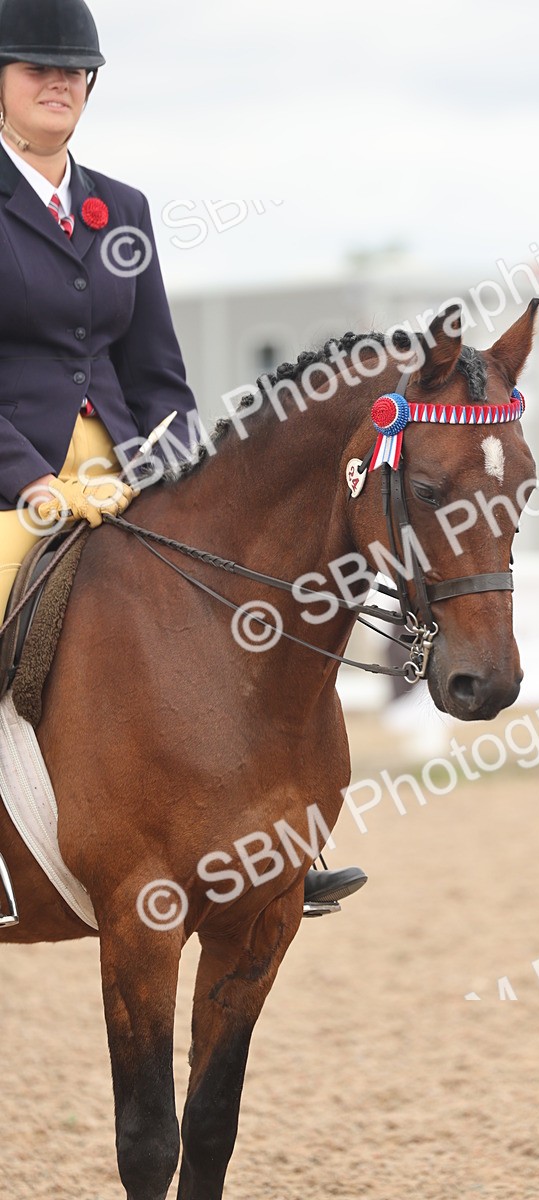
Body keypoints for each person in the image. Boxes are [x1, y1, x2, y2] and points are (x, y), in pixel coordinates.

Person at [0, 0, 365, 915]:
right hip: (15, 476)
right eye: (37, 68)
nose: (58, 83)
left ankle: (268, 839)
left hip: (124, 471)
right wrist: (29, 481)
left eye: (74, 71)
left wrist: (180, 473)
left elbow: (157, 371)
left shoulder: (119, 209)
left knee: (236, 605)